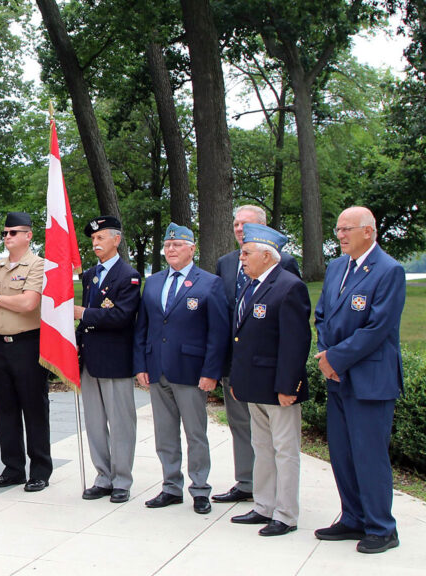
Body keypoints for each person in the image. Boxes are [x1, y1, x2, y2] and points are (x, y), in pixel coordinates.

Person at [313, 206, 405, 554]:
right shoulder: (337, 267)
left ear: (370, 230)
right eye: (338, 230)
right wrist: (327, 356)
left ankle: (381, 527)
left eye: (347, 229)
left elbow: (378, 328)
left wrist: (335, 359)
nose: (340, 236)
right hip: (337, 377)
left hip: (370, 379)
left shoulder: (389, 270)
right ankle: (353, 517)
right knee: (342, 453)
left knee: (369, 455)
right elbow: (322, 314)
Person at [134, 223, 229, 514]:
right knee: (164, 434)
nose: (171, 249)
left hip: (191, 371)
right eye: (167, 245)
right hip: (157, 368)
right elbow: (143, 327)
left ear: (192, 248)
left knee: (195, 433)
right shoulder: (154, 281)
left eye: (177, 245)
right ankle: (170, 487)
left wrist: (211, 372)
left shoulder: (209, 282)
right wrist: (140, 364)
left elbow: (218, 332)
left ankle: (200, 489)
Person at [212, 205, 301, 504]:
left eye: (246, 224)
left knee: (277, 439)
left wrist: (287, 380)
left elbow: (292, 327)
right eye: (236, 223)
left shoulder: (283, 263)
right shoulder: (225, 263)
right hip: (236, 364)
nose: (239, 229)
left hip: (269, 369)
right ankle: (247, 483)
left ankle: (278, 495)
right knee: (241, 426)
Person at [227, 223, 311, 537]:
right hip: (254, 385)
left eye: (247, 253)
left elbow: (295, 342)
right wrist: (238, 379)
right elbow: (242, 339)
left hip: (279, 388)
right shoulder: (252, 285)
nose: (242, 258)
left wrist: (288, 386)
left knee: (285, 451)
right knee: (262, 447)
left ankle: (286, 514)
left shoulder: (289, 287)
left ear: (267, 255)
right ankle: (264, 505)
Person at [0, 212, 51, 493]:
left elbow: (29, 303)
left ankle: (40, 471)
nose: (7, 237)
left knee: (34, 409)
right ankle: (12, 469)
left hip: (28, 344)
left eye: (13, 232)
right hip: (0, 345)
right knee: (6, 410)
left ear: (28, 236)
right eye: (5, 233)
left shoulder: (38, 265)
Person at [74, 216, 141, 503]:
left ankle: (122, 480)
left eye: (101, 237)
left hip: (115, 359)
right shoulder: (90, 275)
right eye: (93, 239)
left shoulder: (128, 276)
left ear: (117, 239)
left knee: (121, 422)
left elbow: (122, 316)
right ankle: (103, 476)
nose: (95, 243)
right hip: (90, 358)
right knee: (95, 422)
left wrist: (84, 314)